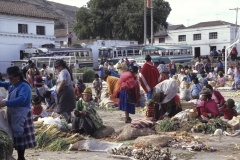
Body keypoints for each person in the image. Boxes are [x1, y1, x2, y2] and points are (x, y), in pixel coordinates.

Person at [0, 66, 36, 160]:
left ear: (18, 77)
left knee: (20, 136)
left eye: (12, 78)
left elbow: (21, 99)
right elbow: (2, 84)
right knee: (16, 135)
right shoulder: (12, 85)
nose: (10, 80)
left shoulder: (24, 86)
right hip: (14, 113)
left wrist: (5, 103)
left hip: (22, 114)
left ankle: (21, 157)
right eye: (10, 78)